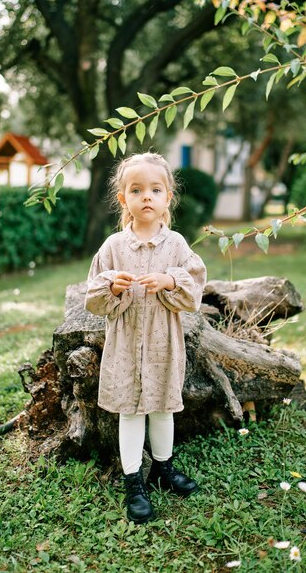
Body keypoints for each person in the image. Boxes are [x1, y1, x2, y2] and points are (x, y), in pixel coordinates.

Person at [85, 152, 207, 524]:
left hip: (161, 342)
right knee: (130, 410)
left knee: (162, 407)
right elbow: (95, 295)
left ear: (168, 196)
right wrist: (113, 286)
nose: (147, 197)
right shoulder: (113, 247)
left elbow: (194, 284)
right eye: (136, 190)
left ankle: (164, 469)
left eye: (155, 189)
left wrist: (170, 281)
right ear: (124, 199)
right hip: (124, 342)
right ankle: (133, 481)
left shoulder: (176, 245)